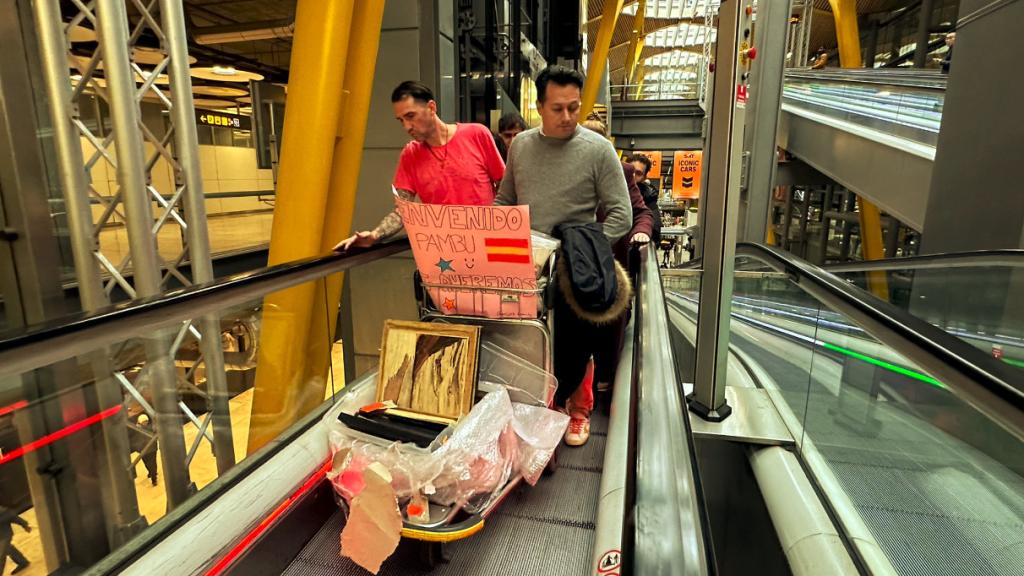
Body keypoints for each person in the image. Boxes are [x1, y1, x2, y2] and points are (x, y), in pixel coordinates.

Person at [495, 65, 631, 446]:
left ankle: (579, 409)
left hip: (575, 266)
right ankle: (542, 407)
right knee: (530, 342)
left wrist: (586, 250)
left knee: (578, 339)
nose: (568, 117)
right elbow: (506, 199)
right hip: (526, 265)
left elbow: (622, 211)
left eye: (574, 107)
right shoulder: (521, 146)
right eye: (558, 108)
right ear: (538, 105)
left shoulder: (598, 149)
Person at [334, 81, 505, 251]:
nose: (406, 127)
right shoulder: (410, 155)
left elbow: (505, 189)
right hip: (445, 255)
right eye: (401, 120)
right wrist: (374, 235)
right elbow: (403, 211)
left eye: (410, 116)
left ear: (431, 108)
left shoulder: (476, 134)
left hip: (488, 247)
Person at [577, 116, 654, 406]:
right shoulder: (564, 168)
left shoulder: (622, 172)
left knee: (609, 333)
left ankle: (605, 392)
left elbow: (641, 212)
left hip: (610, 267)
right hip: (576, 266)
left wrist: (641, 233)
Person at [626, 153, 662, 244]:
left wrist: (642, 233)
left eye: (638, 173)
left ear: (644, 177)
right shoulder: (609, 189)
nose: (633, 176)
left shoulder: (648, 197)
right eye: (630, 171)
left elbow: (655, 229)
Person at [0, 505, 30, 575]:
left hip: (5, 535)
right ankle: (22, 562)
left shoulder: (1, 511)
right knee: (8, 549)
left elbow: (11, 516)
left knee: (1, 554)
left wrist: (24, 524)